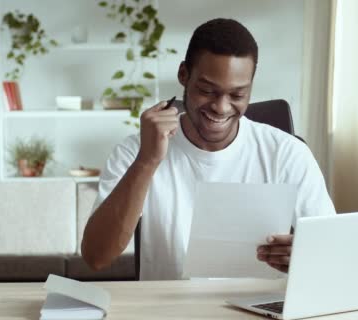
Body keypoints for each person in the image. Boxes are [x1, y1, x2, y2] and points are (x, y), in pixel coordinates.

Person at [81, 18, 335, 280]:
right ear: (183, 75)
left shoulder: (288, 154)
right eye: (207, 91)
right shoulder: (135, 151)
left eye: (237, 95)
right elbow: (96, 257)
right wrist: (147, 161)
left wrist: (306, 258)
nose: (221, 107)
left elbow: (333, 254)